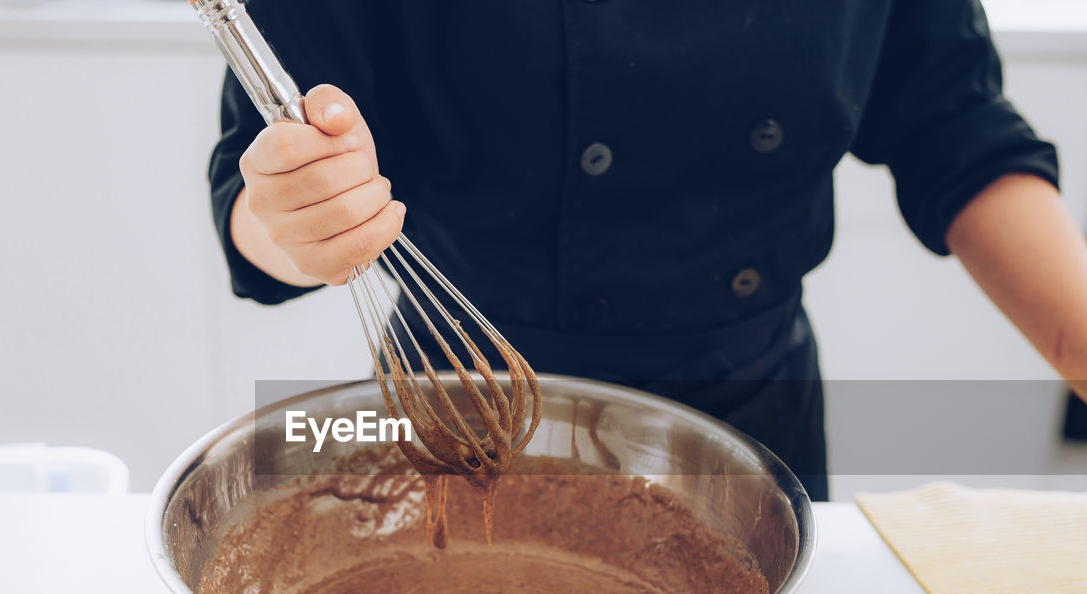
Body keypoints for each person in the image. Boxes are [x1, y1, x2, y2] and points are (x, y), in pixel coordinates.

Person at [207, 1, 1087, 500]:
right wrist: (299, 217)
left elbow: (957, 129)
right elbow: (265, 201)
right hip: (459, 414)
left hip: (751, 423)